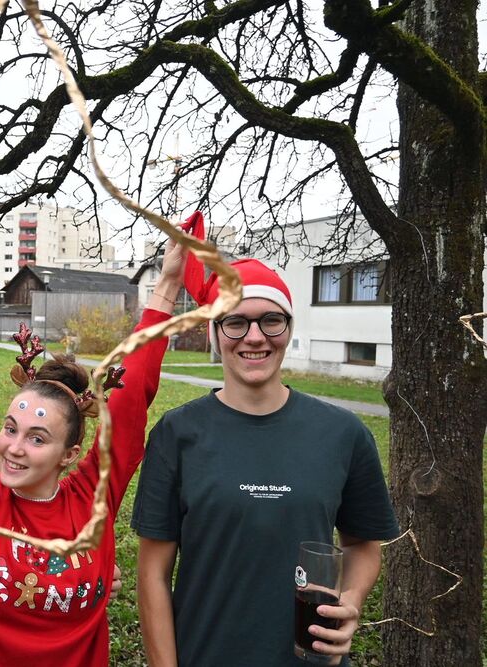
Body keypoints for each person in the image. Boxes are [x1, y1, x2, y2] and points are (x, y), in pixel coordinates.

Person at [0, 211, 183, 666]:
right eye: (11, 428)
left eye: (37, 438)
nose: (14, 447)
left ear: (70, 454)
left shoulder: (94, 499)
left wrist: (166, 286)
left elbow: (131, 404)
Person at [131, 212, 399, 666]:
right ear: (215, 333)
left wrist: (351, 601)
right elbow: (153, 575)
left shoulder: (344, 433)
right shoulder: (176, 434)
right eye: (236, 322)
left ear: (289, 328)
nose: (254, 337)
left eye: (271, 320)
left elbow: (362, 545)